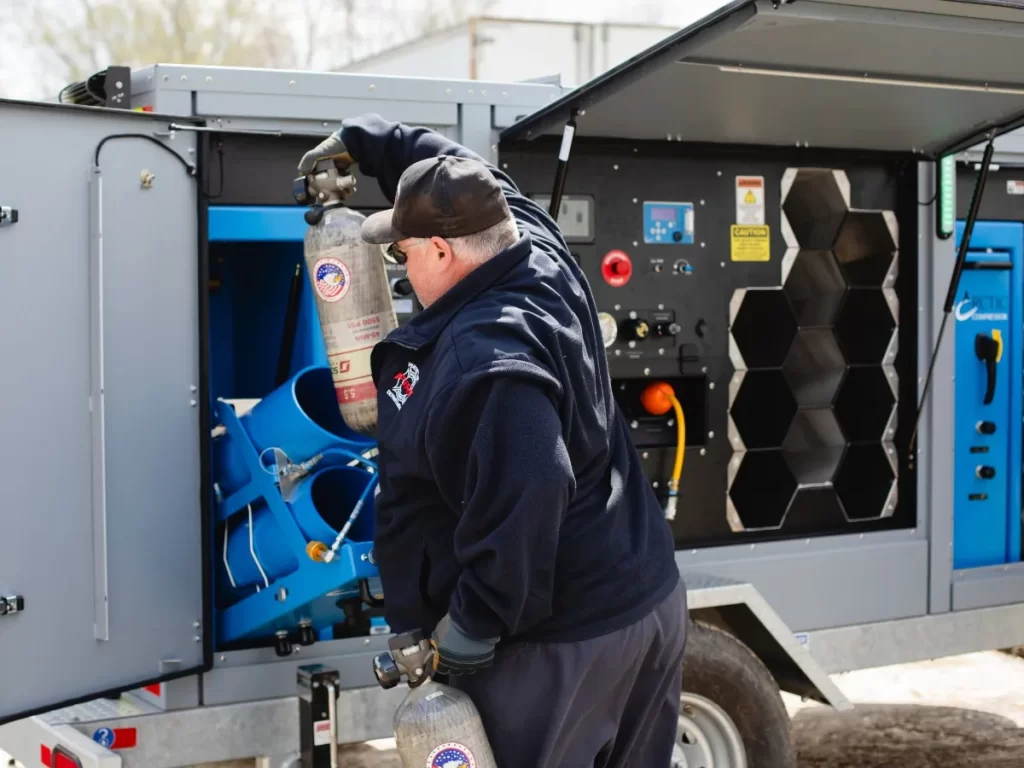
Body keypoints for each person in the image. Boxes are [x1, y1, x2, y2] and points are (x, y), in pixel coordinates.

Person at [298, 114, 688, 767]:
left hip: (556, 645)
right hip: (644, 598)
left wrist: (477, 622)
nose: (398, 263)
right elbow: (470, 172)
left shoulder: (485, 360)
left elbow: (532, 486)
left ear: (444, 252)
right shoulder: (533, 244)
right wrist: (370, 141)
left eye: (402, 251)